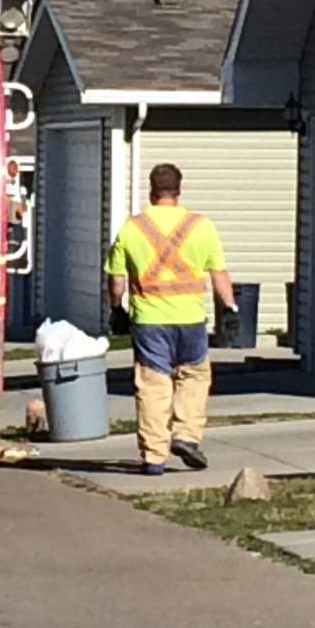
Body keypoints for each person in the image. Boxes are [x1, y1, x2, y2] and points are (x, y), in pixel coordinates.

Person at [105, 164, 238, 476]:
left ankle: (154, 456)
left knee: (153, 385)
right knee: (194, 377)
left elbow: (116, 279)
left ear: (151, 190)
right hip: (191, 318)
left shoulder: (132, 228)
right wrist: (230, 308)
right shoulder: (201, 226)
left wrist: (116, 308)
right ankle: (186, 436)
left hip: (149, 319)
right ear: (179, 190)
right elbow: (218, 274)